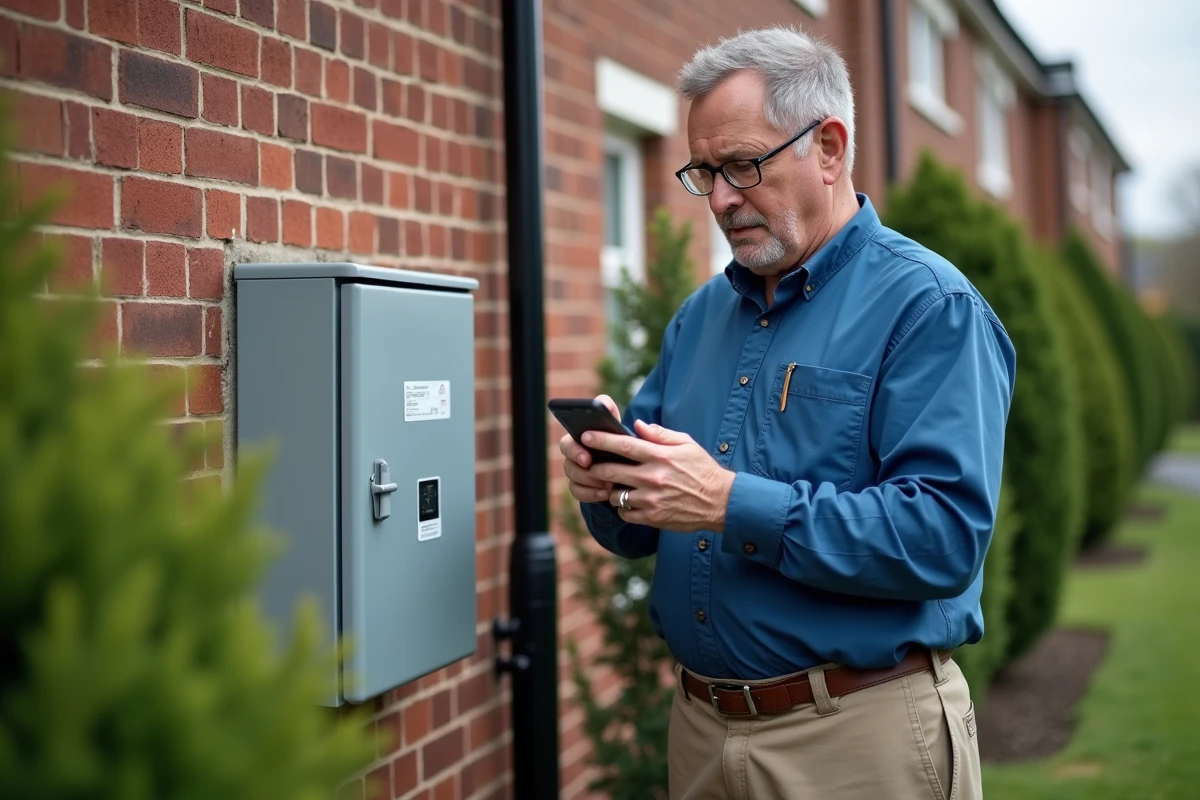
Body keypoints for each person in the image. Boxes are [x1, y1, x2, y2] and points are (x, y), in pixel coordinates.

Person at [560, 25, 1017, 800]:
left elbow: (942, 539)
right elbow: (642, 529)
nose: (724, 199)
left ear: (831, 148)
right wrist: (608, 487)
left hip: (856, 739)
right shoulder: (699, 317)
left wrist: (730, 502)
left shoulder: (928, 307)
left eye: (742, 164)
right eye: (705, 172)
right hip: (700, 732)